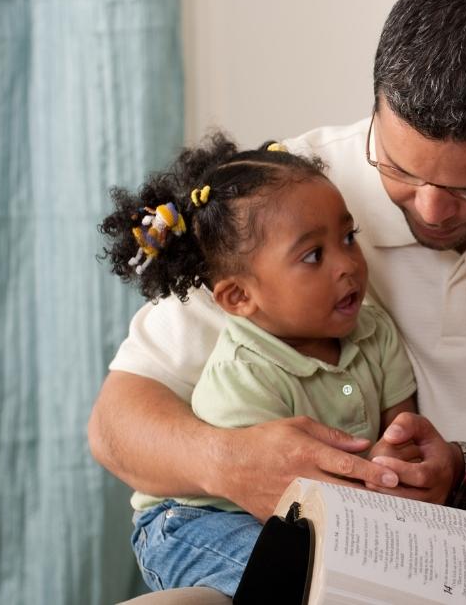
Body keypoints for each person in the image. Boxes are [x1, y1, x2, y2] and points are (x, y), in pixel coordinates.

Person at [88, 0, 466, 585]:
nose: (430, 210)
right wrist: (232, 462)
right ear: (376, 102)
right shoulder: (291, 197)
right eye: (398, 168)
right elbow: (117, 424)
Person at [98, 135, 417, 596]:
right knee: (300, 576)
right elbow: (271, 495)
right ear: (240, 297)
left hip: (300, 513)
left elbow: (402, 425)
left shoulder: (373, 328)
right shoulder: (243, 372)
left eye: (349, 237)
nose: (347, 264)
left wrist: (395, 456)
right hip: (195, 521)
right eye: (313, 255)